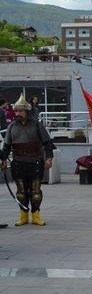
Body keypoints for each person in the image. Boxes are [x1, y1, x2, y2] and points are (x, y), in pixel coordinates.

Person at [0, 95, 55, 226]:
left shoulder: (37, 125)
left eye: (20, 111)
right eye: (16, 111)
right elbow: (7, 146)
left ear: (27, 111)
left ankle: (36, 215)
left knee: (35, 192)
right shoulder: (12, 126)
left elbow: (48, 143)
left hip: (35, 161)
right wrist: (3, 160)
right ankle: (23, 216)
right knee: (21, 192)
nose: (17, 113)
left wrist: (49, 158)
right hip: (18, 163)